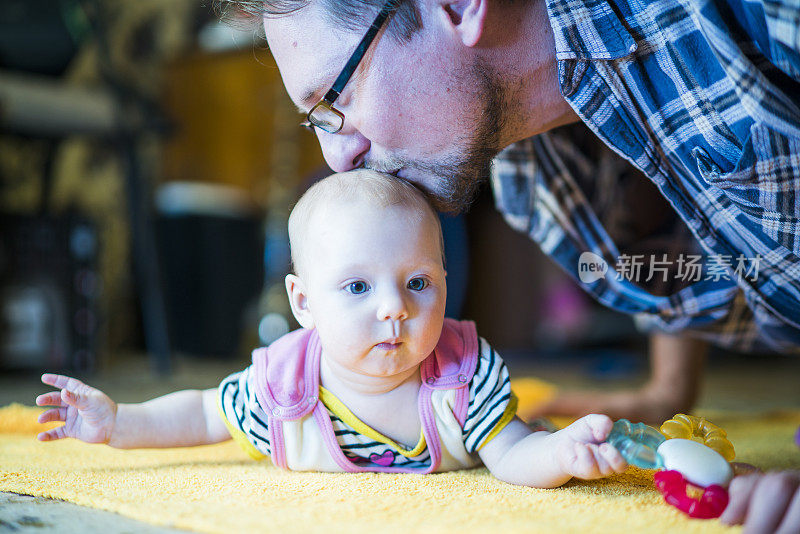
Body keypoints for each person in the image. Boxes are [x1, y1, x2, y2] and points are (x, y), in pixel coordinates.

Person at [214, 0, 800, 528]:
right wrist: (670, 387)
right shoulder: (531, 175)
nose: (339, 156)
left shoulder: (741, 17)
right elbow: (683, 215)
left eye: (333, 99)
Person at [35, 170, 627, 487]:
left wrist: (560, 454)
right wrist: (120, 422)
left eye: (419, 283)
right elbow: (201, 415)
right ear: (304, 303)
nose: (394, 308)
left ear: (447, 281)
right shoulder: (282, 388)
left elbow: (513, 452)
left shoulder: (463, 375)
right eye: (358, 287)